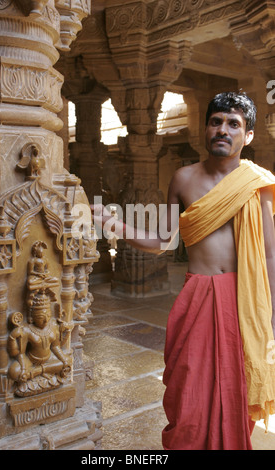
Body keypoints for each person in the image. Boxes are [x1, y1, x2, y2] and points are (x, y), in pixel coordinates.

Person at [92, 92, 275, 450]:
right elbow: (163, 239)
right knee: (186, 383)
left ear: (248, 136)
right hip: (197, 296)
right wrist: (115, 226)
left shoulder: (259, 184)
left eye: (233, 124)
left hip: (245, 301)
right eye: (216, 121)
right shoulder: (183, 179)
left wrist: (272, 315)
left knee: (237, 390)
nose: (223, 129)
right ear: (204, 129)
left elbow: (269, 255)